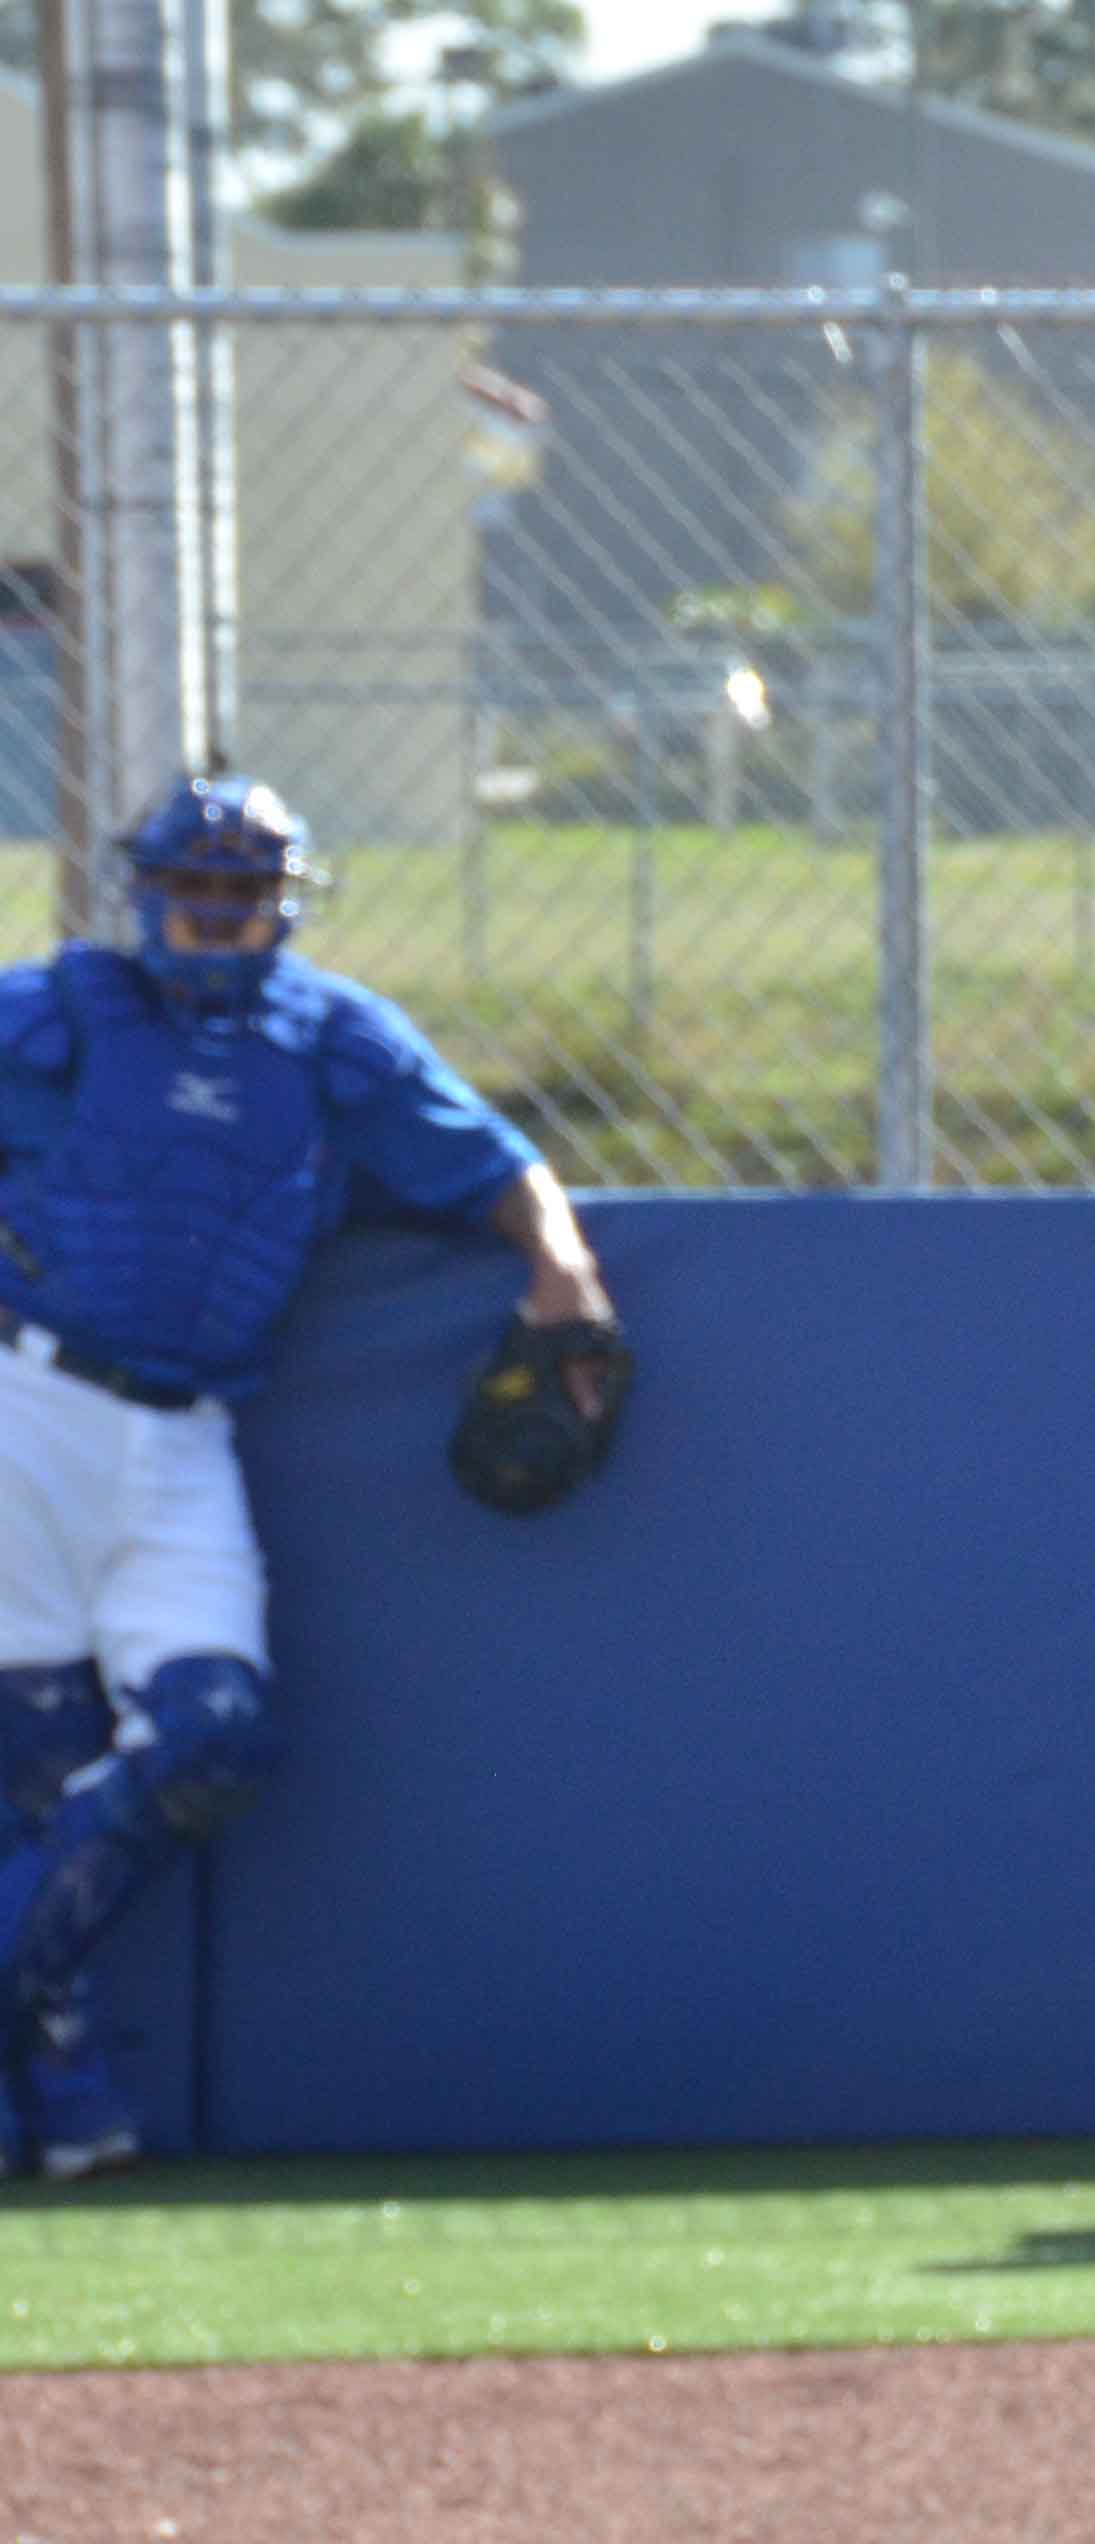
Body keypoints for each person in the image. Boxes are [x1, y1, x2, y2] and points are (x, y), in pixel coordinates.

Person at [0, 774, 620, 2183]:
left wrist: (564, 1269)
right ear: (146, 891)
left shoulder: (331, 1038)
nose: (219, 918)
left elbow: (493, 1161)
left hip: (185, 1434)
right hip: (28, 1402)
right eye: (197, 889)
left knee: (214, 1735)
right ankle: (70, 2089)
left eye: (247, 893)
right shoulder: (52, 1015)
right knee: (33, 1770)